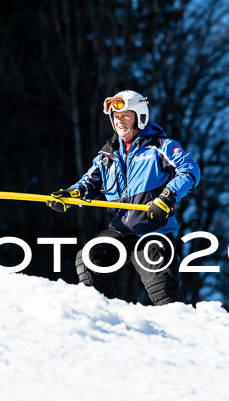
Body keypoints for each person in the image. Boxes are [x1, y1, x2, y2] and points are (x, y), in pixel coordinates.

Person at [47, 90, 200, 305]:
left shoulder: (161, 147)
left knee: (163, 292)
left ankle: (182, 330)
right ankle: (105, 314)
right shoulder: (107, 156)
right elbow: (87, 184)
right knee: (90, 258)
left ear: (140, 117)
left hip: (154, 229)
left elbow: (189, 171)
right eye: (116, 117)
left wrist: (166, 197)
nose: (120, 122)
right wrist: (69, 195)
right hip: (121, 229)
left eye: (126, 116)